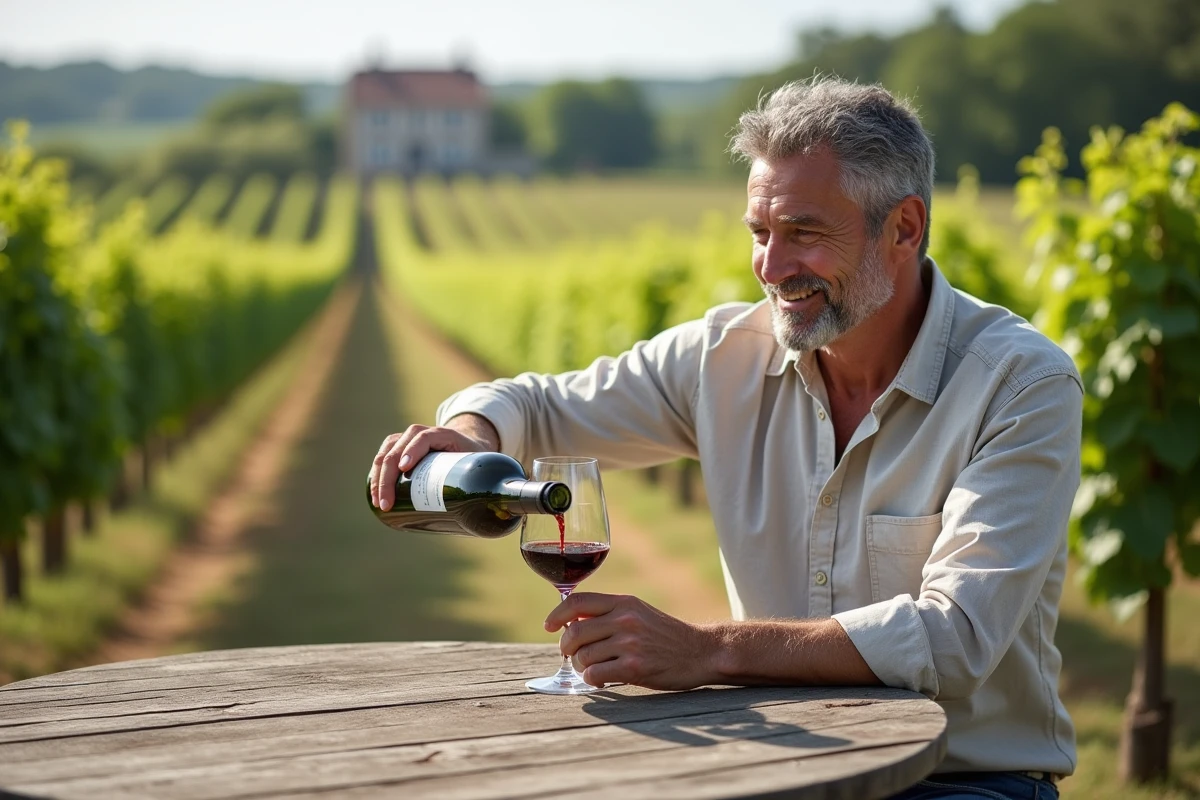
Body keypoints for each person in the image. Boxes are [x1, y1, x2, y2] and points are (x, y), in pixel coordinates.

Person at [368, 77, 1081, 800]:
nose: (771, 269)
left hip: (959, 780)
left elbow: (953, 638)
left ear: (903, 228)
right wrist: (468, 433)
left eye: (804, 232)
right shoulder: (722, 359)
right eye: (760, 234)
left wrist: (708, 649)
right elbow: (538, 407)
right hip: (778, 764)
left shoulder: (1020, 387)